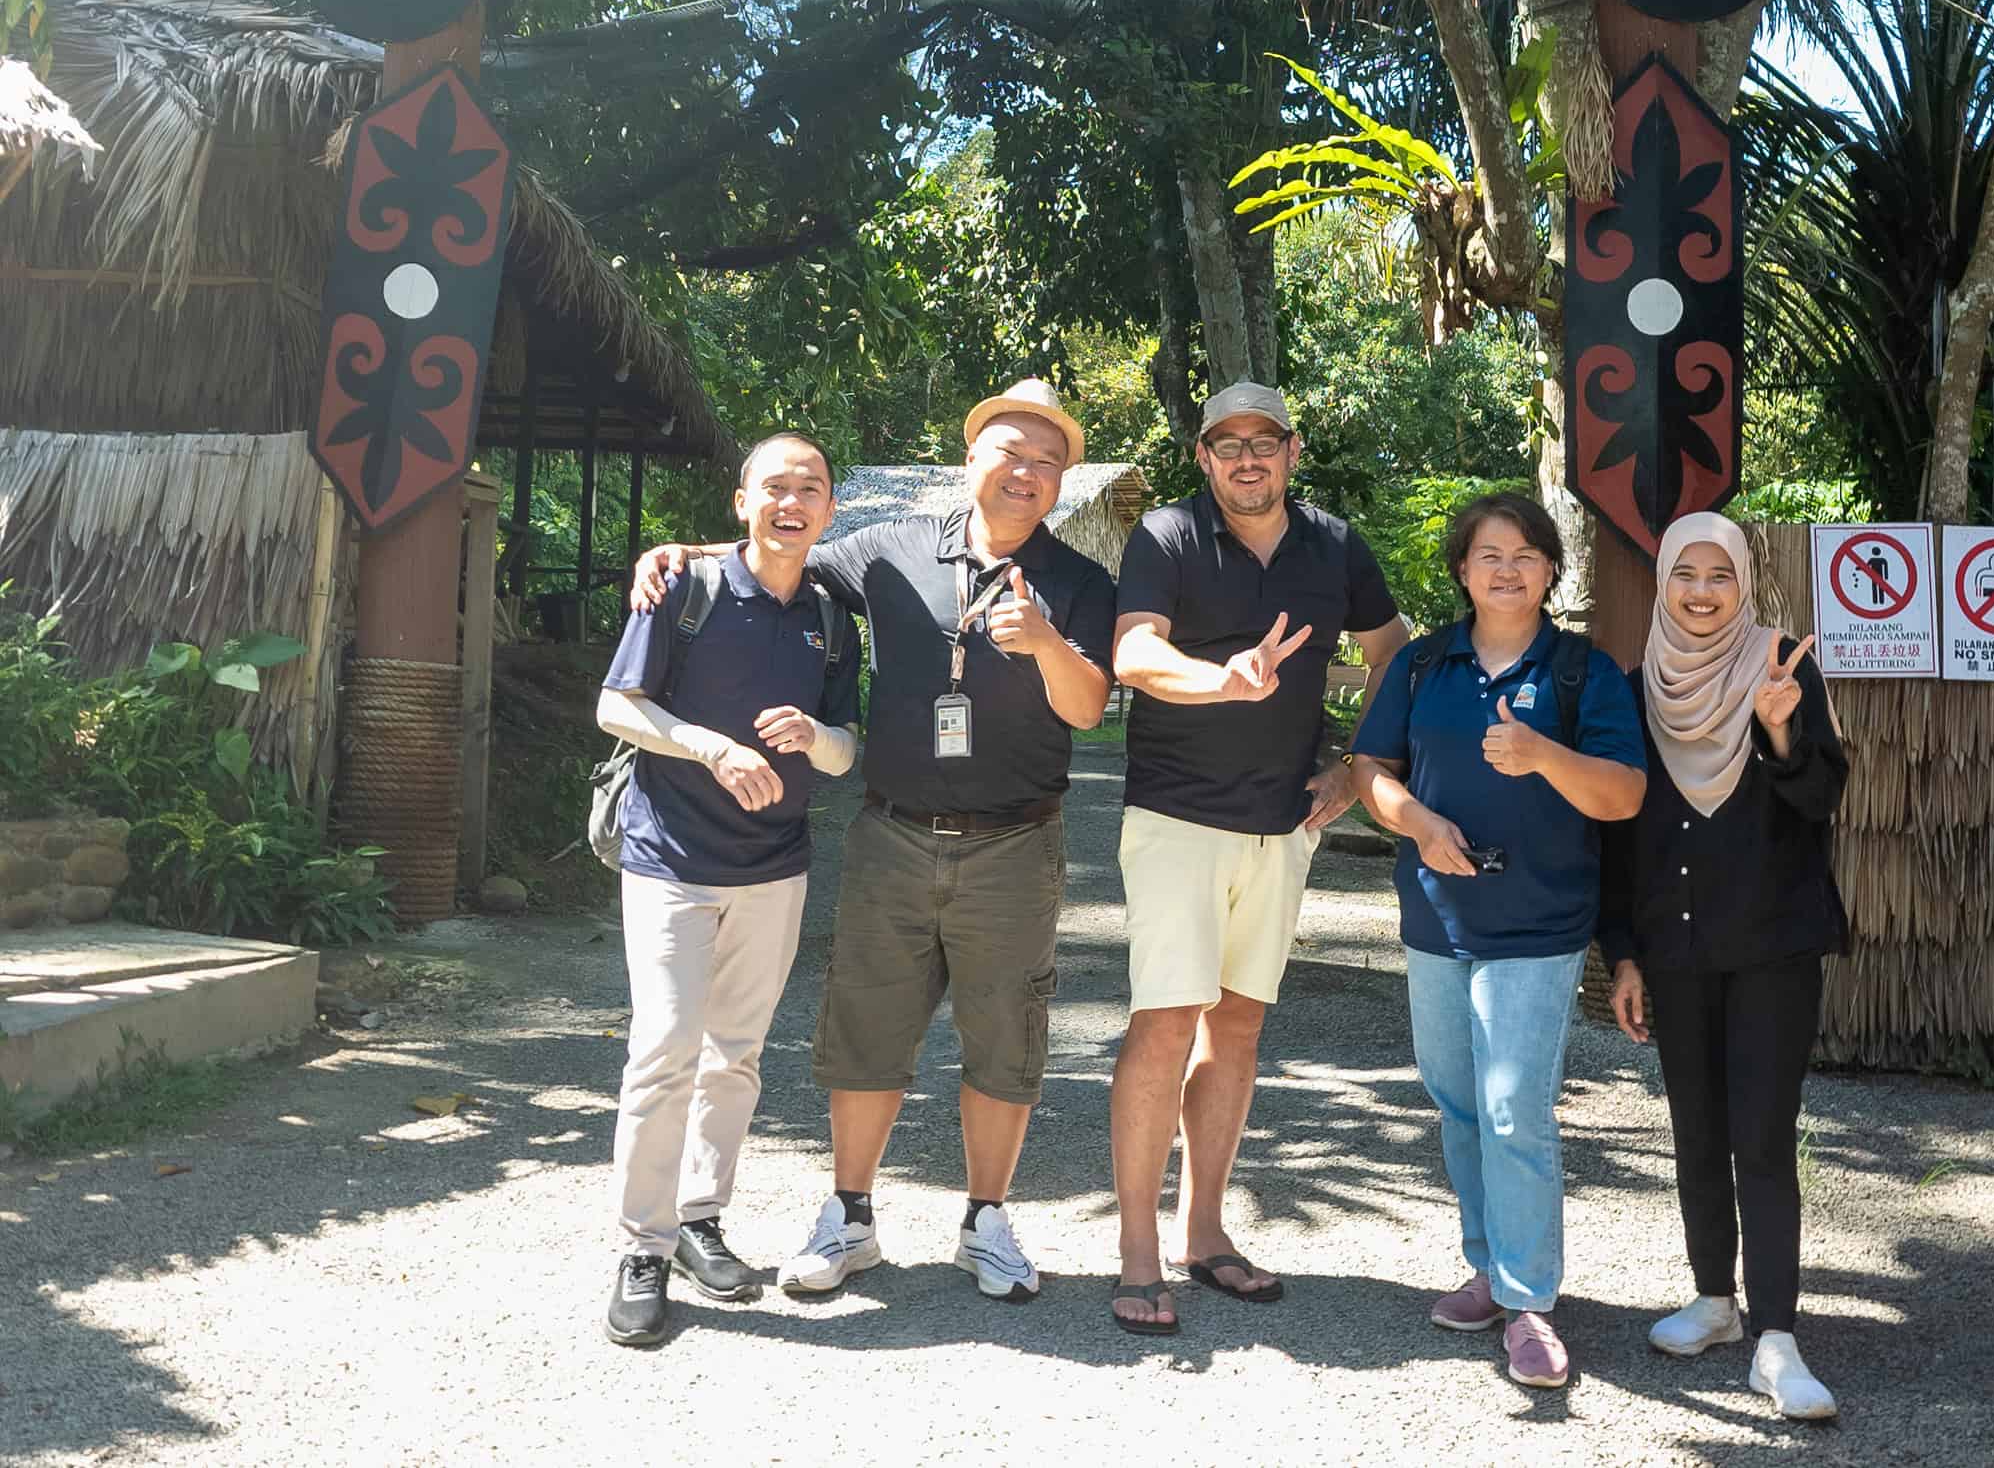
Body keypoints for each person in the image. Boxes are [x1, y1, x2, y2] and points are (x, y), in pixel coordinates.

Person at [631, 381, 1113, 1306]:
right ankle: (850, 1216)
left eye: (1048, 462)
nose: (1027, 473)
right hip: (892, 833)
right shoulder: (891, 549)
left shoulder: (1081, 582)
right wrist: (679, 553)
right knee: (863, 1030)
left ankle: (987, 1222)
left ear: (1062, 482)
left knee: (1006, 1037)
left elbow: (1088, 710)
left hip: (1018, 843)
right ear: (970, 460)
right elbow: (781, 544)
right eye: (1011, 453)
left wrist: (1047, 641)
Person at [1106, 381, 1412, 1335]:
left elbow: (1393, 651)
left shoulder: (1333, 542)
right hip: (1176, 818)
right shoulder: (1166, 536)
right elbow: (1133, 656)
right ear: (1203, 456)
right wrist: (1221, 681)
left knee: (1235, 1028)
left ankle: (1204, 1236)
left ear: (1292, 449)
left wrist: (1360, 767)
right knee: (1165, 1023)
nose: (1247, 458)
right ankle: (1137, 1255)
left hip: (1283, 824)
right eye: (1227, 443)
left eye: (1264, 441)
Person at [1349, 490, 1646, 1387]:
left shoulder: (1582, 673)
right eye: (1488, 554)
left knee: (1516, 1106)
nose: (1507, 568)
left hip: (1540, 923)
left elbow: (1624, 796)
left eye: (1524, 554)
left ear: (1551, 569)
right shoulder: (1420, 665)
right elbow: (1372, 769)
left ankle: (1529, 1303)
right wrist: (1417, 824)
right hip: (1438, 917)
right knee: (1457, 1100)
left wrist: (1544, 755)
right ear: (1462, 571)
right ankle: (1486, 1264)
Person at [594, 431, 861, 1349]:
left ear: (829, 510)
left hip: (774, 868)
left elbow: (848, 746)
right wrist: (710, 744)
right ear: (742, 500)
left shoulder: (831, 615)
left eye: (812, 488)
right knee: (663, 1050)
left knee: (736, 1054)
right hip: (669, 860)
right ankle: (640, 1246)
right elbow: (616, 705)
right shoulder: (684, 590)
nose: (794, 500)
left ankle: (700, 1220)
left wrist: (812, 738)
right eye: (776, 486)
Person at [1600, 511, 1848, 1421]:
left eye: (1720, 577)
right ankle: (1715, 1301)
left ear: (1745, 583)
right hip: (1676, 946)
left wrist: (1780, 732)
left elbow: (1822, 797)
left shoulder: (1782, 668)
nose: (1702, 593)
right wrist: (1622, 952)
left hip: (1774, 942)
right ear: (1662, 584)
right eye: (1685, 576)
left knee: (1763, 1135)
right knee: (1696, 1128)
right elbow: (1617, 837)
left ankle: (1777, 1338)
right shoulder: (1632, 690)